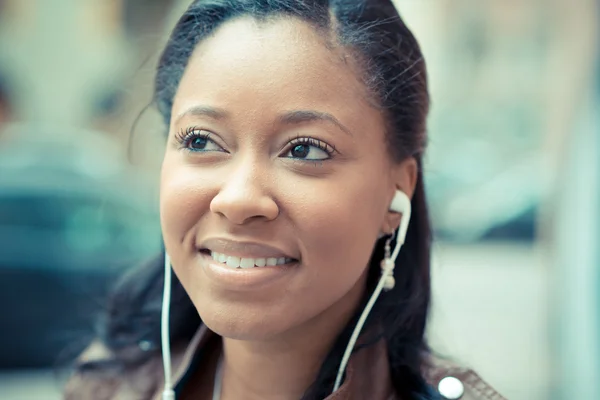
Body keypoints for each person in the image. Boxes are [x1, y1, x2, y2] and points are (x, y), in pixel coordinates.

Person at [65, 0, 505, 399]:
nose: (238, 200)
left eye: (305, 149)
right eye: (200, 141)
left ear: (398, 191)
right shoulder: (108, 388)